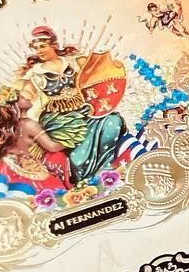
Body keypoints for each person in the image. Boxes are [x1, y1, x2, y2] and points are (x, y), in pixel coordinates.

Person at [17, 25, 126, 184]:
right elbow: (25, 97)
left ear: (53, 45)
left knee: (112, 123)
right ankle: (84, 179)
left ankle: (106, 168)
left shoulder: (73, 62)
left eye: (42, 46)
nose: (39, 50)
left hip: (88, 111)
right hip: (62, 123)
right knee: (78, 158)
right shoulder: (35, 73)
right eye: (36, 48)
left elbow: (94, 70)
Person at [0, 85, 71, 192]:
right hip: (25, 167)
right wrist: (71, 141)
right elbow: (52, 147)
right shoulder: (29, 124)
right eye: (22, 96)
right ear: (15, 104)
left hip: (6, 164)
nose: (28, 96)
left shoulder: (7, 126)